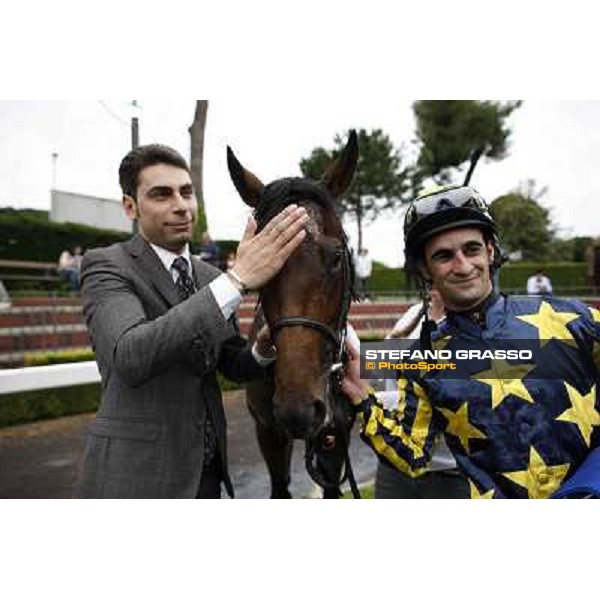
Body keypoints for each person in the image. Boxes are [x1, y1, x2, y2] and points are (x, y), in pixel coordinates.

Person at [73, 144, 309, 498]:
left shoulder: (209, 275)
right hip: (135, 477)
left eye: (187, 192)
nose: (181, 205)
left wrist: (261, 351)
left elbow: (231, 362)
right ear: (130, 206)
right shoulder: (106, 265)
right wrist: (237, 279)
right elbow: (130, 356)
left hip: (207, 475)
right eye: (161, 194)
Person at [342, 184, 600, 499]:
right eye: (444, 256)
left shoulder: (570, 318)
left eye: (472, 249)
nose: (463, 266)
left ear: (490, 250)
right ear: (425, 269)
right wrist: (362, 398)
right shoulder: (422, 351)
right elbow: (412, 452)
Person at [374, 287, 469, 498]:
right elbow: (383, 374)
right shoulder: (413, 314)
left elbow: (439, 398)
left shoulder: (476, 326)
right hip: (396, 466)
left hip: (452, 473)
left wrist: (369, 402)